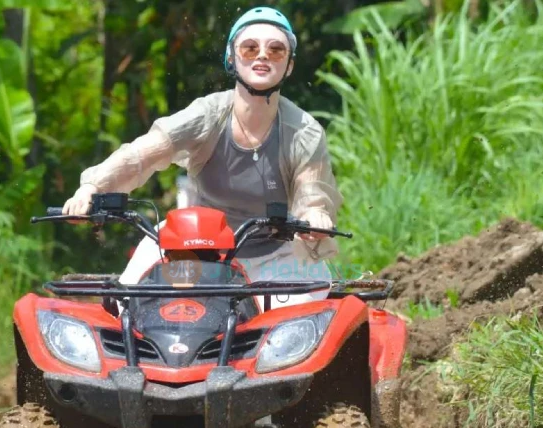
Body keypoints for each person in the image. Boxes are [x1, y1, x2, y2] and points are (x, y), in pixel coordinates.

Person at [62, 7, 343, 307]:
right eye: (250, 48)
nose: (262, 56)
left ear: (288, 65)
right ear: (232, 57)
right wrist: (93, 187)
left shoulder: (304, 131)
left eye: (276, 50)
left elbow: (311, 189)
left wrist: (316, 215)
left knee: (297, 332)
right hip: (195, 248)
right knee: (127, 306)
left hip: (277, 256)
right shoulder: (207, 116)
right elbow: (142, 153)